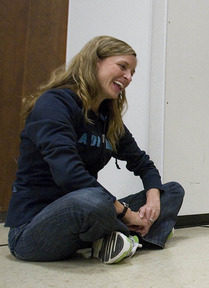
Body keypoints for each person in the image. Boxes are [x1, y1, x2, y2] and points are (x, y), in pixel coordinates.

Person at [5, 36, 184, 264]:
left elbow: (143, 164)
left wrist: (153, 200)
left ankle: (116, 240)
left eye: (132, 73)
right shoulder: (54, 103)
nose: (128, 77)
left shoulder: (108, 119)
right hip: (31, 231)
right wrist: (126, 213)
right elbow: (69, 175)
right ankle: (132, 235)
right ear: (95, 61)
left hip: (87, 220)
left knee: (172, 191)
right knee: (92, 200)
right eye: (122, 67)